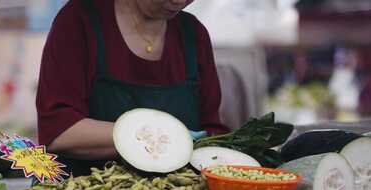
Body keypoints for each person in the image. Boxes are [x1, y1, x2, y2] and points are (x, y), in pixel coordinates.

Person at [36, 0, 229, 176]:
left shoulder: (193, 34)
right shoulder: (78, 20)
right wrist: (159, 135)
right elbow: (60, 133)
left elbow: (211, 132)